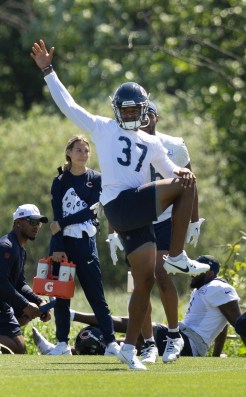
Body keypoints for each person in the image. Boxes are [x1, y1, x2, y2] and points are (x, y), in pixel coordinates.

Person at [31, 39, 210, 370]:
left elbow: (173, 174)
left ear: (143, 110)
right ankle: (179, 256)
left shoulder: (152, 141)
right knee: (186, 185)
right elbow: (68, 105)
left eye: (134, 110)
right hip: (119, 203)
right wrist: (48, 70)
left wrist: (182, 172)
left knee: (144, 282)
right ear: (117, 109)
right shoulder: (102, 127)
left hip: (133, 215)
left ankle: (130, 350)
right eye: (124, 110)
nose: (128, 114)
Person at [107, 101, 205, 364]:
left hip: (165, 218)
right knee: (139, 283)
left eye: (149, 113)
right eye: (141, 113)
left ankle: (174, 335)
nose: (145, 117)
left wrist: (194, 221)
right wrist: (112, 230)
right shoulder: (120, 141)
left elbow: (189, 181)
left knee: (162, 274)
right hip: (137, 219)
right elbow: (114, 187)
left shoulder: (173, 144)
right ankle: (148, 343)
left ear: (156, 117)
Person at [33, 256, 246, 358]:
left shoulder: (218, 287)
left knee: (138, 323)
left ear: (209, 273)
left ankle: (72, 315)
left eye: (197, 270)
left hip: (188, 343)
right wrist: (215, 356)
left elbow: (239, 323)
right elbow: (223, 324)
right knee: (116, 344)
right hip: (184, 338)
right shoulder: (203, 289)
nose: (191, 272)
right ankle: (60, 351)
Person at [46, 135, 120, 357]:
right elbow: (56, 217)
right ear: (68, 152)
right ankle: (61, 343)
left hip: (85, 243)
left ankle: (111, 343)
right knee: (61, 296)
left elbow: (91, 210)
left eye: (86, 150)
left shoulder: (96, 178)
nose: (83, 154)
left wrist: (62, 223)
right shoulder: (59, 181)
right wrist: (57, 245)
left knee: (95, 294)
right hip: (62, 245)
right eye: (78, 150)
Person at [0, 204, 52, 354]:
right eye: (32, 222)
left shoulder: (20, 249)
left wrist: (38, 301)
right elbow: (1, 283)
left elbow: (19, 283)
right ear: (18, 223)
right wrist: (25, 304)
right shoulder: (6, 246)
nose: (36, 226)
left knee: (25, 317)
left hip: (3, 302)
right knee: (18, 348)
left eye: (39, 223)